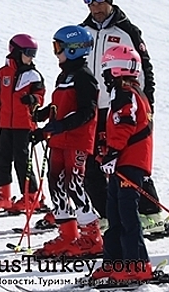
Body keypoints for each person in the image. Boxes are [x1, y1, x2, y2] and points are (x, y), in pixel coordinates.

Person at [79, 0, 169, 237]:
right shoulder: (82, 31)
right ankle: (107, 216)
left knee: (127, 160)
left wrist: (147, 103)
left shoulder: (127, 30)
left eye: (98, 0)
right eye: (89, 1)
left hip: (120, 105)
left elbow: (145, 69)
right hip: (91, 108)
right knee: (92, 163)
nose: (94, 6)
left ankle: (152, 214)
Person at [29, 25, 102, 258]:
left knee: (74, 185)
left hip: (77, 139)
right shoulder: (64, 76)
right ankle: (68, 234)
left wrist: (60, 125)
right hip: (60, 139)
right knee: (55, 184)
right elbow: (59, 108)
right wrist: (43, 124)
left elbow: (87, 112)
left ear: (74, 49)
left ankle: (91, 237)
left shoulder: (84, 76)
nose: (56, 52)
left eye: (58, 47)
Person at [89, 45, 154, 282]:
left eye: (106, 71)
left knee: (127, 215)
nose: (105, 77)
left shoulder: (125, 92)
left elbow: (125, 124)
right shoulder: (127, 92)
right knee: (114, 214)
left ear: (117, 70)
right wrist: (105, 151)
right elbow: (120, 127)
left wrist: (113, 152)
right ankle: (114, 262)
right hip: (123, 162)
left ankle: (137, 265)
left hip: (130, 163)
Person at [0, 34, 46, 214]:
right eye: (28, 52)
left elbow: (40, 97)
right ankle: (4, 196)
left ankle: (31, 197)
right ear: (16, 51)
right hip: (5, 124)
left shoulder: (33, 75)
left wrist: (33, 98)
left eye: (33, 53)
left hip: (24, 125)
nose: (31, 57)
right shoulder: (2, 73)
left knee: (22, 161)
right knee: (2, 160)